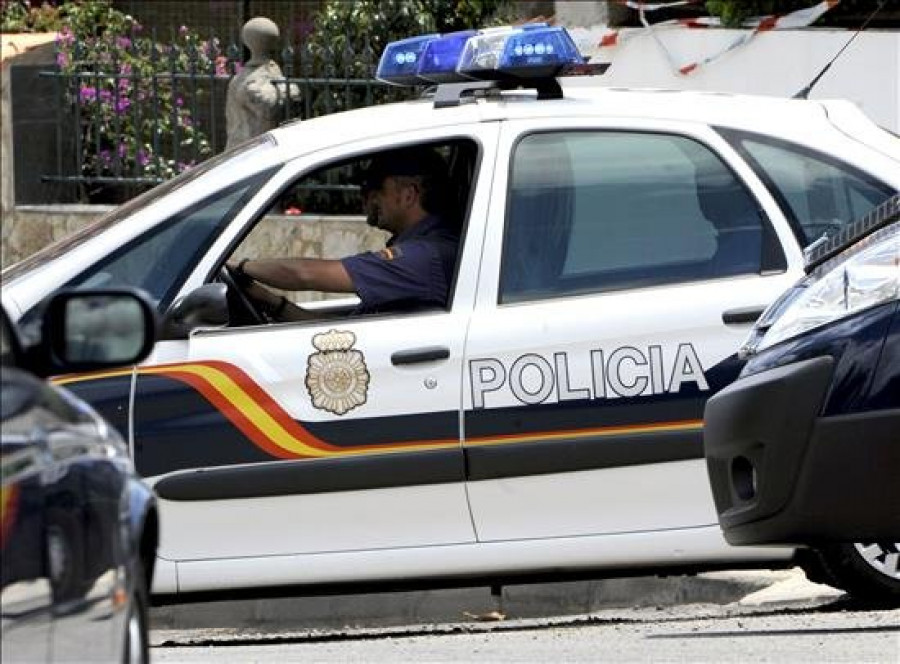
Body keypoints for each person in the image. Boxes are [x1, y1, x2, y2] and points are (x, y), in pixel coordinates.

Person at [230, 147, 458, 320]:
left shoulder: (423, 258)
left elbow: (304, 274)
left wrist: (241, 267)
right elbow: (338, 340)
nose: (365, 197)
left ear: (409, 194)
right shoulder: (423, 248)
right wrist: (269, 301)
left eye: (373, 187)